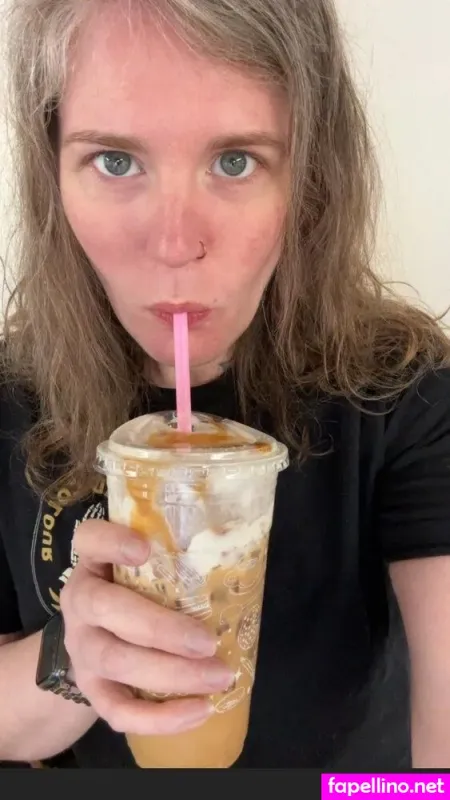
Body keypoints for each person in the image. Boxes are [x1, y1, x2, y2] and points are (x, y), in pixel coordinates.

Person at [0, 0, 450, 771]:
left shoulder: (407, 397)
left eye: (236, 161)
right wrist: (74, 655)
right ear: (54, 178)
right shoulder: (12, 399)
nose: (176, 243)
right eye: (115, 161)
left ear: (309, 178)